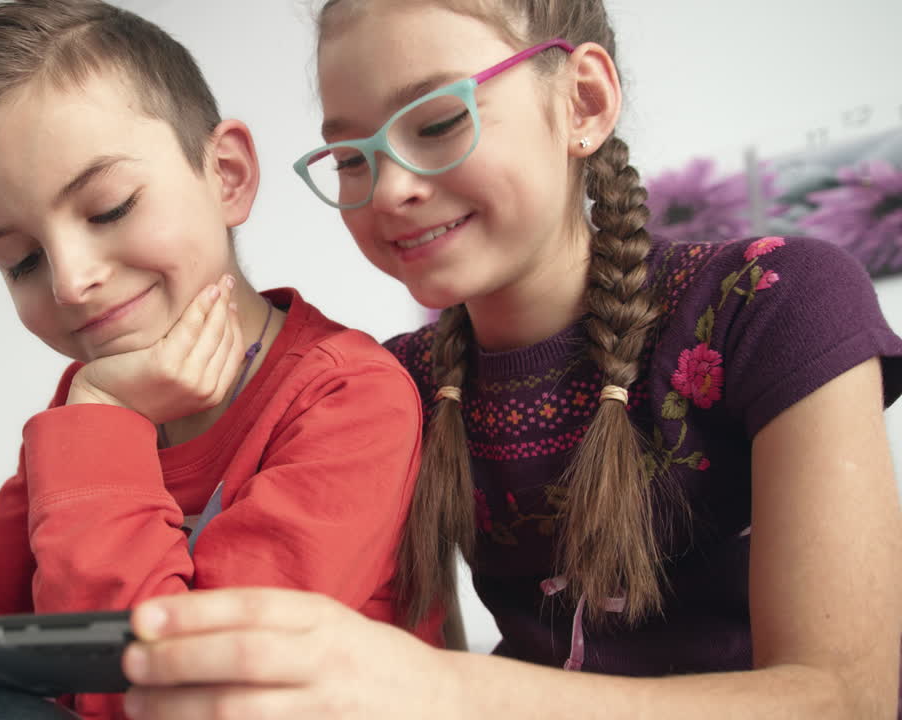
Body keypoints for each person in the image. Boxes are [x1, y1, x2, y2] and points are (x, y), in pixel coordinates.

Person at [116, 0, 902, 717]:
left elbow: (846, 697)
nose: (389, 190)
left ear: (583, 103)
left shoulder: (772, 298)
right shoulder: (398, 384)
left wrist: (434, 689)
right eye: (352, 157)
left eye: (435, 121)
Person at [0, 2, 442, 718]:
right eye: (21, 260)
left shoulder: (349, 395)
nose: (69, 281)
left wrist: (101, 416)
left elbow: (184, 690)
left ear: (225, 174)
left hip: (202, 705)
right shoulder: (91, 399)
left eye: (108, 209)